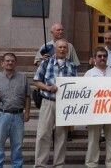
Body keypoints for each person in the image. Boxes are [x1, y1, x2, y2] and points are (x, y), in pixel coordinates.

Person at [33, 39, 78, 168]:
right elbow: (36, 81)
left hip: (64, 105)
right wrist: (47, 87)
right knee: (43, 134)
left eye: (65, 47)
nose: (62, 49)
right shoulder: (46, 63)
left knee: (62, 136)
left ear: (67, 50)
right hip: (48, 102)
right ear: (55, 49)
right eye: (60, 47)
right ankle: (40, 164)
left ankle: (58, 164)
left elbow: (76, 86)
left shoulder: (72, 65)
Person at [84, 47, 111, 168]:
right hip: (94, 112)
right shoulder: (89, 74)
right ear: (94, 58)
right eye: (99, 56)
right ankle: (91, 164)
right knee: (93, 140)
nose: (102, 58)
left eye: (104, 56)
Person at [0, 53, 31, 168]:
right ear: (2, 63)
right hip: (1, 115)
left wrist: (27, 112)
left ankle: (17, 166)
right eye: (8, 61)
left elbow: (27, 96)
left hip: (18, 116)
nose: (10, 63)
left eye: (12, 61)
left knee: (18, 145)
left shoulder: (23, 78)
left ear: (15, 63)